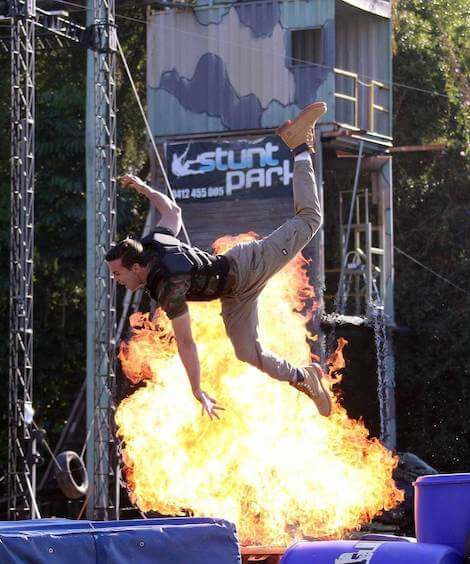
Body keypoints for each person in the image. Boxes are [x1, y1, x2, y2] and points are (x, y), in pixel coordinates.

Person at [106, 102, 332, 420]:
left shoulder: (164, 283)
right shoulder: (153, 242)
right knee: (247, 353)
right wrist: (146, 189)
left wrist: (197, 390)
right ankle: (304, 378)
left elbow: (186, 341)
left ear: (135, 266)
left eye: (117, 273)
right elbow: (173, 212)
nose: (117, 279)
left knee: (310, 219)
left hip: (246, 265)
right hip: (233, 293)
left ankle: (299, 147)